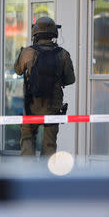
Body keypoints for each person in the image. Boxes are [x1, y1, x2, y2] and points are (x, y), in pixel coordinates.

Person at [14, 17, 75, 156]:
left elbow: (17, 70)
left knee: (27, 138)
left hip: (31, 105)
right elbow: (71, 80)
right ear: (54, 33)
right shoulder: (63, 54)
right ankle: (46, 175)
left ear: (35, 33)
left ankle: (28, 174)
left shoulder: (27, 52)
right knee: (49, 144)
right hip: (53, 106)